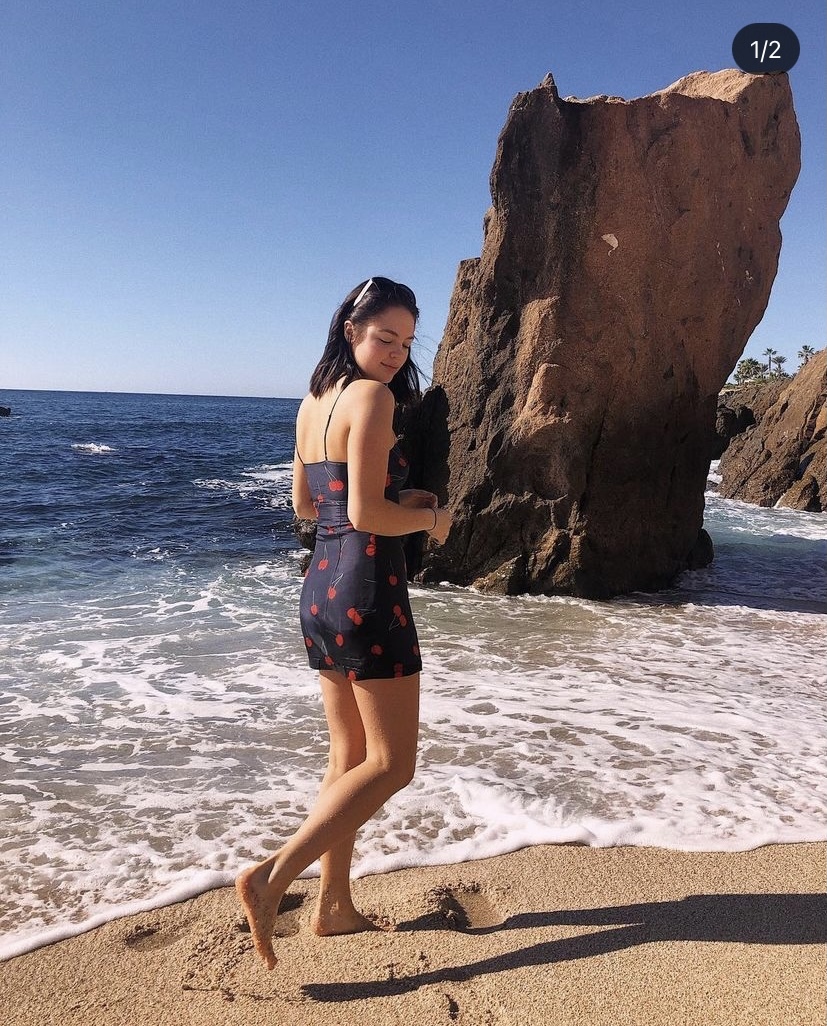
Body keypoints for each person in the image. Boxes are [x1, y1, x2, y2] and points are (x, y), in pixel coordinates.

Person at [236, 277, 452, 969]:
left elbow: (309, 505)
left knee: (348, 757)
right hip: (369, 587)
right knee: (391, 765)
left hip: (321, 589)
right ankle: (273, 877)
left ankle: (334, 906)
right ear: (351, 330)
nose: (395, 354)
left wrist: (395, 500)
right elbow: (367, 515)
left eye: (407, 344)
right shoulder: (372, 397)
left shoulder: (313, 400)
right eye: (385, 337)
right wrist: (430, 517)